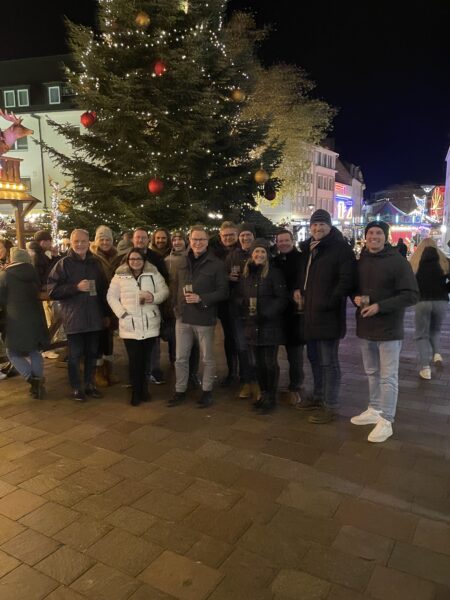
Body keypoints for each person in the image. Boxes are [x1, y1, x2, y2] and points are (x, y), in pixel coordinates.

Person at [351, 221, 418, 443]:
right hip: (366, 326)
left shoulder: (398, 262)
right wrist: (356, 298)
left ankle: (387, 419)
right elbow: (354, 289)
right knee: (371, 372)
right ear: (366, 236)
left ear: (386, 237)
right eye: (370, 233)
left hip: (389, 329)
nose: (374, 237)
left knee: (388, 376)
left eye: (379, 233)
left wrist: (381, 306)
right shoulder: (362, 260)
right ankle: (374, 408)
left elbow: (411, 295)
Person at [298, 209, 356, 423]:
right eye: (314, 225)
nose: (318, 228)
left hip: (328, 316)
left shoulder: (340, 249)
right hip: (310, 315)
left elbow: (346, 280)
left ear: (330, 226)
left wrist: (330, 302)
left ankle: (330, 405)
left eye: (322, 224)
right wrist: (298, 290)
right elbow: (303, 277)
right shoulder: (309, 249)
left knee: (328, 362)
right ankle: (318, 396)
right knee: (314, 358)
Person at [48, 229, 109, 402]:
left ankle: (89, 385)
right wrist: (75, 288)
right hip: (74, 317)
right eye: (77, 242)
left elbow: (103, 290)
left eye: (83, 241)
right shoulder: (63, 264)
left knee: (92, 354)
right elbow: (52, 290)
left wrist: (105, 314)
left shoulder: (95, 263)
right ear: (71, 243)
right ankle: (76, 387)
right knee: (74, 355)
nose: (80, 245)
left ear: (89, 241)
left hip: (94, 316)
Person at [170, 225, 228, 408]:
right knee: (180, 358)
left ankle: (207, 390)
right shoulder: (181, 262)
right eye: (195, 239)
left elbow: (223, 292)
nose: (198, 243)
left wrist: (202, 298)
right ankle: (180, 390)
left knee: (207, 358)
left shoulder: (216, 264)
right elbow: (175, 287)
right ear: (189, 240)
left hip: (204, 317)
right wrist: (175, 307)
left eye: (201, 239)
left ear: (207, 241)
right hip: (183, 317)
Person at [107, 248, 169, 405]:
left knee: (146, 360)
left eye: (138, 259)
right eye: (132, 259)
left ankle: (144, 390)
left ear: (144, 260)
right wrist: (122, 313)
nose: (135, 262)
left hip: (150, 324)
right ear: (127, 260)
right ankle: (136, 391)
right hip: (130, 324)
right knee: (134, 360)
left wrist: (153, 297)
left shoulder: (153, 273)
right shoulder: (120, 275)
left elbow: (165, 291)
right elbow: (111, 296)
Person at [234, 238, 288, 413]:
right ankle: (263, 394)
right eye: (256, 252)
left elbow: (281, 298)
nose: (259, 255)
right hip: (251, 324)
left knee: (269, 363)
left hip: (269, 324)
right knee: (257, 363)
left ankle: (271, 397)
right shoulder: (246, 274)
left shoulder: (274, 273)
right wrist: (243, 305)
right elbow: (239, 295)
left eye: (262, 252)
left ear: (267, 255)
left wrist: (266, 313)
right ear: (251, 255)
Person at [0, 248, 49, 398]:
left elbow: (1, 299)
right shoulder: (33, 273)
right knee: (34, 351)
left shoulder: (5, 275)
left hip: (15, 319)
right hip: (36, 317)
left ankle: (33, 381)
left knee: (12, 352)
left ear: (12, 259)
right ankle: (38, 384)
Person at [129, 227, 169, 385]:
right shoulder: (126, 257)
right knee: (135, 342)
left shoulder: (156, 258)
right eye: (137, 237)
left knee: (153, 340)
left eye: (143, 237)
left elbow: (165, 280)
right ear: (133, 239)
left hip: (152, 305)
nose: (140, 240)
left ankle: (154, 370)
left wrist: (155, 297)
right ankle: (138, 373)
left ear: (148, 239)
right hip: (133, 307)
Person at [409, 238, 450, 379]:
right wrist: (445, 289)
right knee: (435, 331)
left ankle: (425, 369)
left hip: (422, 301)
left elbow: (409, 283)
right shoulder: (444, 260)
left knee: (421, 335)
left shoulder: (414, 262)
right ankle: (437, 354)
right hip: (441, 301)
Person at [273, 229, 305, 405]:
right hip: (277, 314)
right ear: (276, 243)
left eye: (286, 240)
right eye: (280, 241)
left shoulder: (301, 259)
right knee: (273, 352)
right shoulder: (274, 261)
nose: (283, 243)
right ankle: (273, 384)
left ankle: (296, 385)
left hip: (294, 313)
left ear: (292, 241)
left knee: (295, 354)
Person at [226, 223, 256, 399]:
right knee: (242, 347)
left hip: (255, 309)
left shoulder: (259, 253)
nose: (245, 238)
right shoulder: (232, 256)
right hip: (238, 309)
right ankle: (246, 381)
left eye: (248, 235)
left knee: (256, 347)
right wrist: (227, 277)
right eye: (242, 235)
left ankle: (257, 382)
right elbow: (223, 278)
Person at [90, 225, 121, 386]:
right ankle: (98, 371)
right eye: (101, 239)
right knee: (98, 337)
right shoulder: (91, 257)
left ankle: (109, 369)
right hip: (97, 302)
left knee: (109, 337)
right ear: (96, 241)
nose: (104, 242)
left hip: (113, 302)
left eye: (107, 239)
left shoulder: (118, 256)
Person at [214, 221, 239, 386]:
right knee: (229, 337)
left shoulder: (244, 250)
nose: (228, 238)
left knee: (243, 337)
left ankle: (246, 373)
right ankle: (232, 372)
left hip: (241, 301)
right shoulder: (215, 253)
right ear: (220, 237)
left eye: (231, 235)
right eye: (225, 235)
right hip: (224, 303)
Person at [31, 230, 61, 360]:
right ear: (43, 242)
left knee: (52, 319)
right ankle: (47, 348)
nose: (51, 243)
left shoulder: (39, 254)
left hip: (43, 291)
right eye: (49, 241)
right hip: (43, 293)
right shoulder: (37, 256)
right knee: (51, 319)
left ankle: (48, 346)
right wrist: (55, 256)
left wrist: (54, 257)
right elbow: (48, 274)